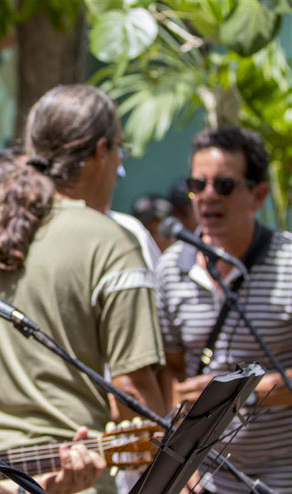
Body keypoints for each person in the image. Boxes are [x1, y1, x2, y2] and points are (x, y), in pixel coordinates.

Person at [0, 84, 169, 494]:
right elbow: (134, 393)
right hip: (72, 475)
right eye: (120, 154)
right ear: (101, 152)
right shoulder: (112, 244)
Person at [156, 127, 292, 493]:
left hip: (282, 478)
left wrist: (241, 393)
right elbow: (169, 372)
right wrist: (179, 462)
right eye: (197, 184)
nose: (207, 196)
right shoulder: (170, 268)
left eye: (224, 186)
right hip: (202, 482)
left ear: (258, 194)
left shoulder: (288, 261)